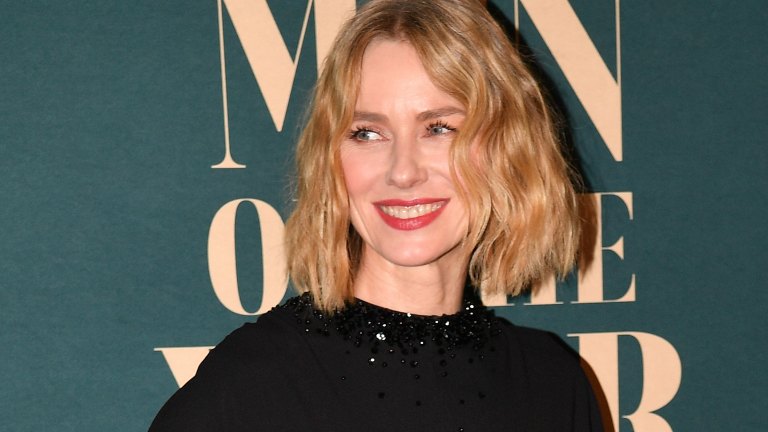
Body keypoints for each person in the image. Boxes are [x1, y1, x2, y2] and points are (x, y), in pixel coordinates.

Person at [150, 0, 604, 430]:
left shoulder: (552, 383)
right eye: (367, 133)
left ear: (506, 149)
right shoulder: (254, 384)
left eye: (439, 128)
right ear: (330, 158)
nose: (403, 172)